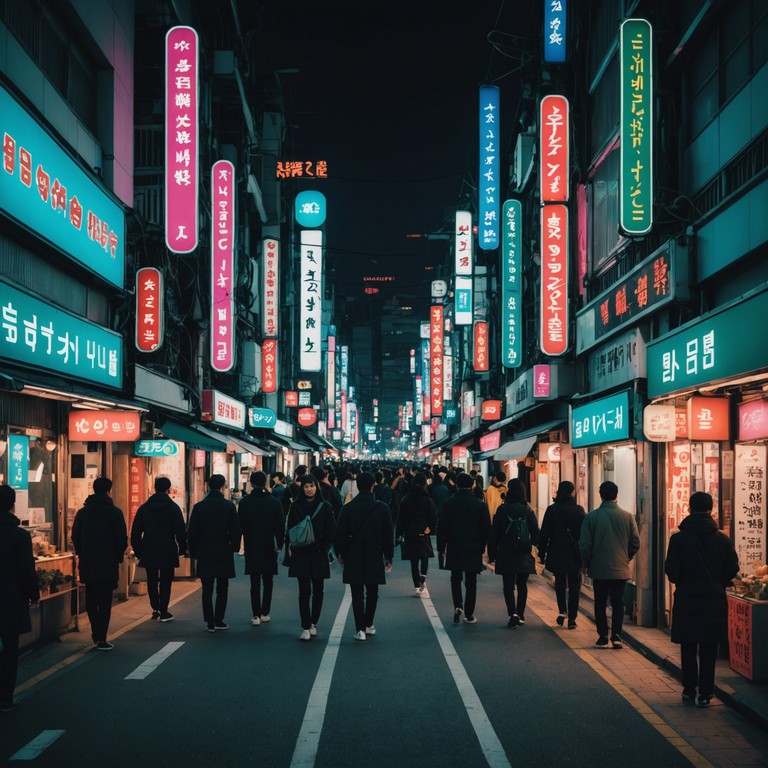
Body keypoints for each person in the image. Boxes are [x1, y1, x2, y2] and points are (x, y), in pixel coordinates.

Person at [664, 492, 739, 708]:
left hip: (687, 598)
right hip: (714, 599)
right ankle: (706, 694)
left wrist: (682, 581)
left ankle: (689, 689)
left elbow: (672, 570)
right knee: (709, 648)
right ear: (710, 509)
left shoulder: (678, 539)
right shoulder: (722, 539)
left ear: (689, 508)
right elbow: (732, 568)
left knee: (688, 646)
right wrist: (719, 581)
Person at [579, 480, 640, 649]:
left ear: (601, 495)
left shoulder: (592, 516)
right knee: (618, 602)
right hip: (620, 568)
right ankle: (617, 636)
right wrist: (626, 557)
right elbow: (635, 542)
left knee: (600, 602)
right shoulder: (627, 516)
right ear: (616, 495)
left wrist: (587, 562)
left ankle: (603, 636)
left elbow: (584, 544)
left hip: (599, 568)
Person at [334, 472, 394, 641]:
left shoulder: (348, 508)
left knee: (357, 593)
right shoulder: (382, 508)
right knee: (372, 592)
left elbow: (340, 535)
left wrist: (341, 554)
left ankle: (360, 629)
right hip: (374, 553)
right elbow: (388, 535)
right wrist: (389, 556)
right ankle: (368, 624)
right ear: (373, 485)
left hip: (354, 553)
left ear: (357, 486)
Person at [71, 477, 128, 650]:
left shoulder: (83, 513)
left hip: (88, 562)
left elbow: (75, 536)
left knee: (90, 598)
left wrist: (82, 552)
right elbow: (121, 539)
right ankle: (101, 637)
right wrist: (118, 557)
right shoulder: (115, 513)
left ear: (94, 490)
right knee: (104, 601)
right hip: (108, 562)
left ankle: (96, 633)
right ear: (109, 491)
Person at [0, 485, 39, 712]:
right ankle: (5, 698)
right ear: (12, 505)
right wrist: (33, 594)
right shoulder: (19, 535)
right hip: (10, 599)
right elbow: (26, 569)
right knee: (9, 650)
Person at [284, 474, 336, 640]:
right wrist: (289, 547)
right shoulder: (295, 506)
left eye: (312, 486)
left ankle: (314, 621)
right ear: (302, 488)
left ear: (317, 487)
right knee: (304, 591)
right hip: (301, 552)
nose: (309, 489)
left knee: (318, 590)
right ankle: (305, 626)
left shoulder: (325, 506)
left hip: (319, 552)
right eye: (306, 486)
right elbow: (290, 529)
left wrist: (326, 549)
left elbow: (331, 531)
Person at [187, 474, 241, 632]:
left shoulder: (199, 507)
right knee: (223, 587)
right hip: (224, 550)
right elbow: (235, 530)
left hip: (204, 550)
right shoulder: (229, 506)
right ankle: (219, 620)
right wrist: (235, 547)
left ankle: (209, 621)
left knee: (207, 588)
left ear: (208, 486)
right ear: (223, 486)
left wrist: (193, 551)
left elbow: (192, 532)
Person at [130, 477, 187, 623]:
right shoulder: (173, 508)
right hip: (168, 548)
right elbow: (180, 530)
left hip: (149, 548)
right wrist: (182, 548)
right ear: (168, 489)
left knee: (152, 580)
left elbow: (136, 532)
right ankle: (164, 610)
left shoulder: (144, 508)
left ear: (154, 488)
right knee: (166, 581)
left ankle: (155, 608)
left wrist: (138, 551)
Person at [437, 472, 491, 624]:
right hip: (473, 546)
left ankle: (457, 605)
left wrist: (441, 548)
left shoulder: (449, 503)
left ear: (456, 484)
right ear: (472, 485)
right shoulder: (480, 505)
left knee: (455, 577)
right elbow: (486, 529)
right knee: (471, 580)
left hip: (454, 545)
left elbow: (442, 528)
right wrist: (482, 547)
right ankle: (469, 614)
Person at [488, 478, 540, 627]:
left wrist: (492, 554)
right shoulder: (527, 509)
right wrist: (533, 544)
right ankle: (521, 614)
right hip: (524, 552)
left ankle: (512, 614)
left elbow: (494, 533)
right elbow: (535, 533)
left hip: (506, 552)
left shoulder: (503, 509)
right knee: (522, 585)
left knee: (508, 585)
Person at [238, 471, 285, 625]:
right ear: (266, 482)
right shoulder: (274, 502)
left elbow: (240, 525)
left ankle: (256, 615)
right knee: (268, 580)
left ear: (251, 483)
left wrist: (240, 543)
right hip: (269, 544)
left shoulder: (245, 502)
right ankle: (265, 612)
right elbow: (279, 525)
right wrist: (280, 543)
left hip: (252, 544)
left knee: (255, 580)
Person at [538, 480, 586, 629]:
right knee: (574, 585)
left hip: (557, 550)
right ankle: (572, 618)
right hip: (573, 552)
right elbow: (583, 534)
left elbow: (545, 532)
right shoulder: (579, 510)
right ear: (572, 493)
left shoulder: (552, 509)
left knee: (559, 583)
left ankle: (562, 611)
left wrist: (541, 552)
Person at [396, 472, 438, 597]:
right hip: (423, 532)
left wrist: (399, 533)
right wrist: (430, 528)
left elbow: (401, 519)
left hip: (410, 533)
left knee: (414, 562)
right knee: (424, 556)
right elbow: (433, 517)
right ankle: (423, 577)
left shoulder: (406, 499)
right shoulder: (427, 499)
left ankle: (417, 587)